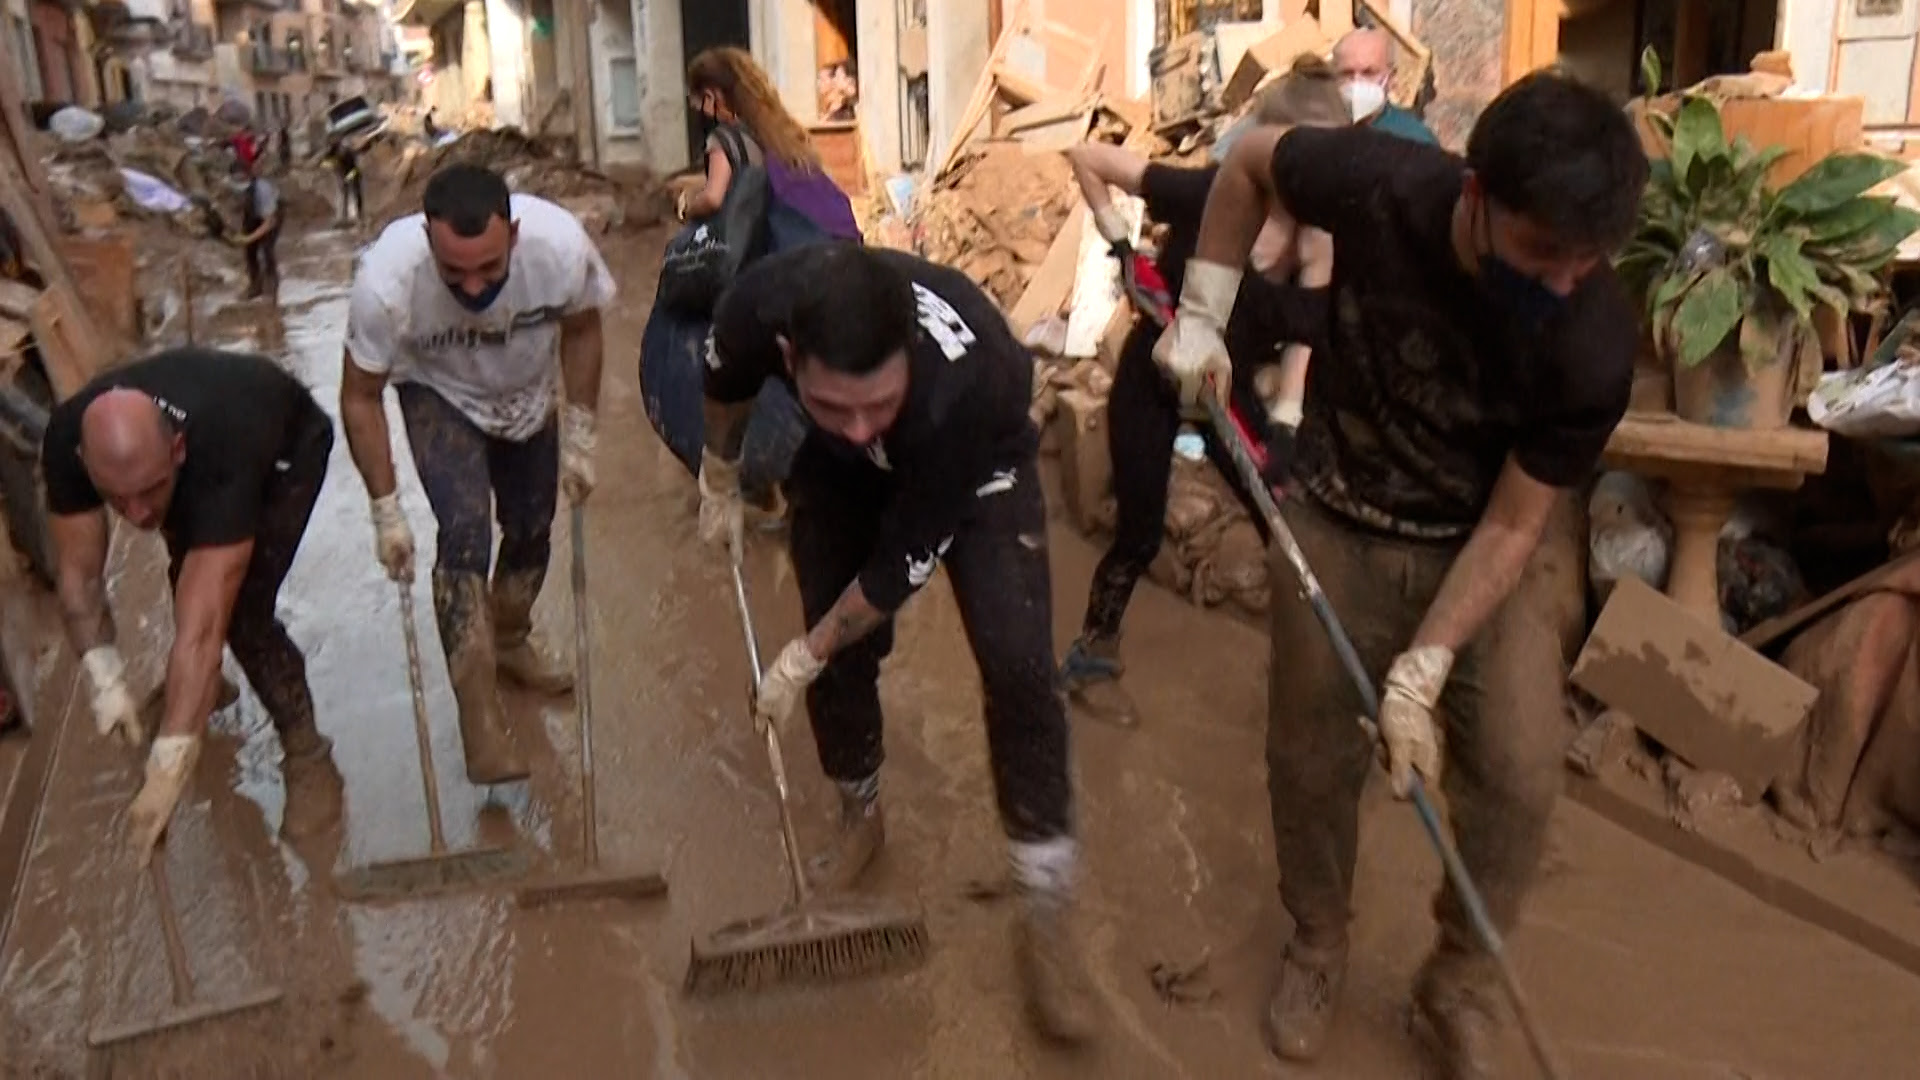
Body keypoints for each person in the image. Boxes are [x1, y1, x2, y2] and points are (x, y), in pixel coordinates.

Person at [1156, 72, 1646, 1074]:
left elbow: (1517, 525)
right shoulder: (1381, 182)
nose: (1562, 281)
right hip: (1338, 509)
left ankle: (1458, 982)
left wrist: (1425, 664)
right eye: (1541, 251)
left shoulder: (1592, 342)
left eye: (1585, 261)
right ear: (1477, 196)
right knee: (1308, 751)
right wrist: (1203, 313)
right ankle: (1318, 941)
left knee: (1516, 775)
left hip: (1483, 542)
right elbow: (1248, 163)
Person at [696, 244, 1095, 1042]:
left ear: (907, 359)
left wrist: (802, 654)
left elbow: (893, 574)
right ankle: (860, 811)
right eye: (832, 404)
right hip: (843, 482)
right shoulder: (756, 309)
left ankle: (1044, 906)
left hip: (976, 472)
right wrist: (718, 473)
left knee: (1018, 668)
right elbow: (724, 385)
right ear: (790, 356)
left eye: (877, 404)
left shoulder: (969, 385)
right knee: (841, 656)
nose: (858, 423)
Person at [1058, 56, 1347, 727]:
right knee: (1138, 530)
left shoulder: (1317, 243)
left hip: (1226, 389)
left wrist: (1284, 419)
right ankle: (1092, 657)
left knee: (1286, 519)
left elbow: (1307, 334)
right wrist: (1119, 244)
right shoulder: (1209, 193)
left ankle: (1310, 684)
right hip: (1151, 379)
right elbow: (1086, 155)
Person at [340, 163, 613, 785]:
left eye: (488, 269)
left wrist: (583, 435)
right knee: (464, 531)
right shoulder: (388, 280)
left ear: (513, 237)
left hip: (526, 389)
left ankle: (510, 639)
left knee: (532, 525)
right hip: (439, 391)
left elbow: (582, 330)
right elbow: (359, 395)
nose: (471, 287)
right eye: (452, 271)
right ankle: (478, 713)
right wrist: (386, 511)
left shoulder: (560, 247)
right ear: (429, 242)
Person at [43, 347, 344, 861]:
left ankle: (307, 753)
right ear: (84, 464)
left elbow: (202, 628)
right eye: (117, 499)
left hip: (284, 451)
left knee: (241, 613)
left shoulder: (228, 447)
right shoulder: (68, 436)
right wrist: (103, 676)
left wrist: (169, 761)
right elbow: (79, 577)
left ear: (177, 448)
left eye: (148, 492)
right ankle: (203, 689)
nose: (137, 516)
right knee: (189, 571)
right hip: (193, 455)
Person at [681, 46, 861, 243]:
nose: (699, 110)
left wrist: (687, 208)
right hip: (841, 232)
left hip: (793, 247)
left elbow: (713, 199)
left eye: (698, 102)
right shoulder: (784, 133)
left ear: (711, 96)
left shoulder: (725, 139)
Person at [1331, 27, 1438, 144]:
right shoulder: (1320, 132)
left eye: (1369, 73)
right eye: (1347, 73)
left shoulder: (1414, 139)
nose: (1357, 81)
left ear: (1391, 78)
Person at [232, 156, 282, 301]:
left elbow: (269, 222)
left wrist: (249, 237)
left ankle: (272, 286)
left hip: (271, 214)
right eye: (236, 179)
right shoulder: (237, 187)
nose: (238, 182)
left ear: (248, 175)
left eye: (241, 178)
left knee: (267, 249)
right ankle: (255, 285)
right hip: (253, 213)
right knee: (249, 251)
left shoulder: (263, 189)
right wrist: (244, 237)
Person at [326, 138, 364, 224]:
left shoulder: (348, 155)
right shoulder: (333, 153)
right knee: (342, 193)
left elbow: (355, 169)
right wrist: (332, 165)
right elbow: (325, 163)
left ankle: (357, 215)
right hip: (341, 174)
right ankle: (342, 216)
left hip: (352, 173)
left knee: (354, 193)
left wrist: (349, 177)